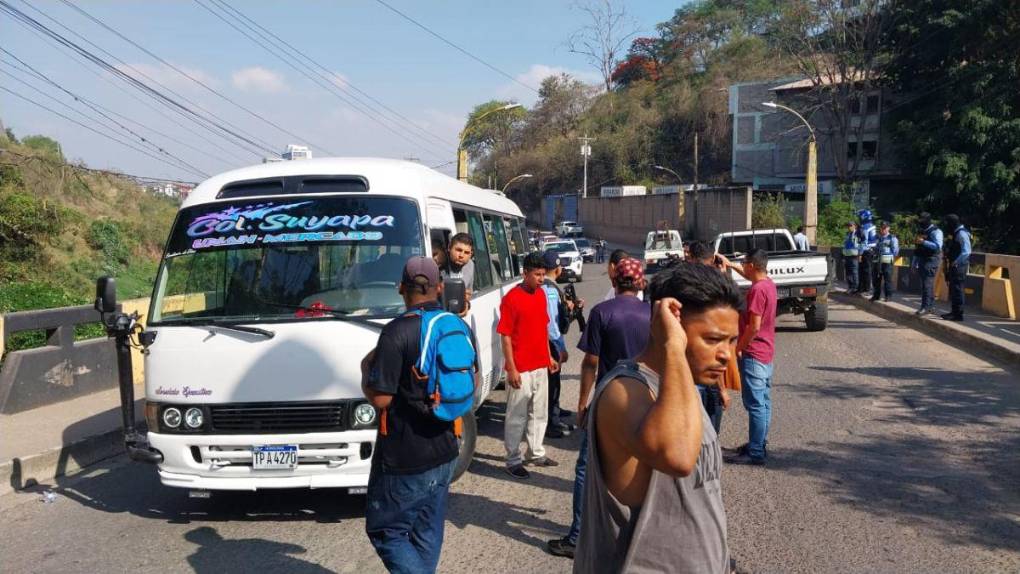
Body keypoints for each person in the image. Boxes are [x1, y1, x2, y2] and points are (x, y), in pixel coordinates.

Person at [573, 261, 739, 574]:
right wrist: (673, 347)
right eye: (713, 339)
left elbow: (701, 501)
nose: (726, 355)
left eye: (730, 341)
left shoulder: (682, 386)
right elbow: (677, 456)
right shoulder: (625, 391)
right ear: (667, 325)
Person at [361, 257, 472, 574]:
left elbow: (381, 398)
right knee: (427, 529)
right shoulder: (457, 325)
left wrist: (364, 372)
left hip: (404, 457)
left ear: (400, 288)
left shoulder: (396, 332)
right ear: (439, 287)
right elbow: (473, 381)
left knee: (387, 532)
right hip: (446, 449)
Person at [546, 257, 651, 559]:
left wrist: (582, 404)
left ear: (616, 282)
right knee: (640, 469)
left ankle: (578, 537)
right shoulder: (652, 313)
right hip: (644, 399)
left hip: (608, 400)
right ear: (641, 282)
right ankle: (636, 538)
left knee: (586, 468)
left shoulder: (603, 312)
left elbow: (590, 362)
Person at [498, 252, 560, 479]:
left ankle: (535, 453)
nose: (541, 279)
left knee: (539, 412)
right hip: (521, 368)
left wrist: (548, 356)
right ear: (525, 273)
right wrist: (512, 368)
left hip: (540, 365)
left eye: (543, 274)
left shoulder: (541, 295)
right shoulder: (511, 299)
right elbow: (505, 337)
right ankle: (513, 459)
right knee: (517, 415)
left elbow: (543, 328)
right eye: (537, 275)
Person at [720, 248, 777, 466]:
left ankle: (755, 452)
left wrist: (739, 348)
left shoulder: (756, 291)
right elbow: (748, 276)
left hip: (754, 352)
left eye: (744, 263)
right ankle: (758, 443)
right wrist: (731, 264)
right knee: (763, 402)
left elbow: (753, 326)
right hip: (766, 351)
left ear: (752, 265)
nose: (743, 266)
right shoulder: (768, 284)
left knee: (755, 404)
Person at [686, 241, 737, 433]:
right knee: (710, 430)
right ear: (712, 258)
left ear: (690, 257)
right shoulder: (718, 289)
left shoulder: (682, 285)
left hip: (687, 375)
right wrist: (722, 389)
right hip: (707, 378)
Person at [541, 250, 573, 439]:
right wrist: (561, 348)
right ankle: (551, 423)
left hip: (547, 341)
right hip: (551, 342)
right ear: (558, 269)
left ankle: (555, 411)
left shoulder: (547, 287)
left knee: (553, 382)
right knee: (552, 383)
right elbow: (552, 325)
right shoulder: (550, 290)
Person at [942, 214, 971, 321]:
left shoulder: (962, 233)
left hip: (959, 266)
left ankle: (958, 314)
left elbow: (966, 251)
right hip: (955, 265)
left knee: (958, 289)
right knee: (954, 289)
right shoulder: (955, 233)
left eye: (948, 223)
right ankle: (954, 312)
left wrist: (956, 262)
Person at [912, 212, 943, 316]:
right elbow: (917, 247)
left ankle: (925, 307)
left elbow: (938, 246)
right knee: (926, 285)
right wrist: (914, 262)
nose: (920, 223)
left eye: (922, 221)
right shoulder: (921, 231)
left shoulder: (936, 231)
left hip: (931, 260)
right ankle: (930, 306)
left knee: (927, 284)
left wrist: (924, 242)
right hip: (922, 259)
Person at [871, 221, 899, 302]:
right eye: (882, 227)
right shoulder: (877, 237)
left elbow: (895, 251)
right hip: (877, 261)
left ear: (888, 228)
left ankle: (888, 296)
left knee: (887, 280)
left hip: (887, 261)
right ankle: (876, 296)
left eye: (884, 228)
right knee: (876, 279)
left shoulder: (892, 238)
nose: (883, 229)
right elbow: (872, 246)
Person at [857, 210, 878, 294]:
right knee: (866, 270)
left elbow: (863, 241)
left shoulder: (865, 227)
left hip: (866, 251)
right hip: (871, 250)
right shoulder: (872, 225)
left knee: (865, 270)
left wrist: (860, 253)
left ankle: (867, 289)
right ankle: (863, 288)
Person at [842, 221, 863, 294]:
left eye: (850, 226)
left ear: (855, 226)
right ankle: (850, 287)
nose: (849, 227)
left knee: (854, 272)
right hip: (847, 255)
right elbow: (844, 244)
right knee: (848, 272)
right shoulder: (847, 234)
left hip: (854, 256)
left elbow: (861, 245)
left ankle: (855, 288)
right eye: (848, 226)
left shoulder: (858, 234)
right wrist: (843, 255)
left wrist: (860, 254)